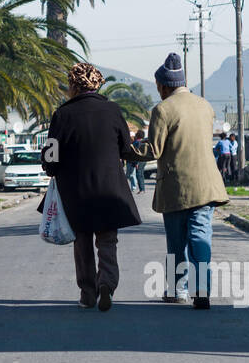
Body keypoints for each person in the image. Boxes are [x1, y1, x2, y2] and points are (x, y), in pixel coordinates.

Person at [126, 54, 228, 309]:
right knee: (200, 238)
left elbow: (154, 150)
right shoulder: (205, 105)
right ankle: (202, 289)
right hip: (207, 186)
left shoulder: (163, 109)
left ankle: (177, 290)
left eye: (159, 86)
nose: (159, 90)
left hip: (176, 188)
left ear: (165, 85)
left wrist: (127, 148)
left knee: (177, 243)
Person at [41, 62, 142, 311]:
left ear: (73, 85)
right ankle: (107, 283)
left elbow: (51, 155)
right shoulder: (112, 110)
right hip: (109, 189)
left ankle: (88, 293)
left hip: (76, 191)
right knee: (107, 240)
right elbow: (126, 149)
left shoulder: (62, 115)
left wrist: (51, 170)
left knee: (82, 241)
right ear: (97, 83)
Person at [126, 127, 148, 194]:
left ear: (137, 135)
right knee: (141, 174)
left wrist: (137, 163)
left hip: (139, 160)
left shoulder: (137, 143)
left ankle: (142, 189)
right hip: (144, 160)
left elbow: (137, 153)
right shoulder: (143, 141)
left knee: (139, 174)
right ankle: (142, 189)